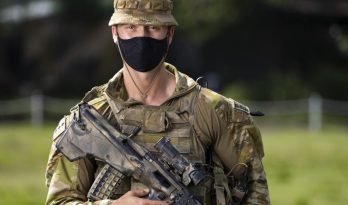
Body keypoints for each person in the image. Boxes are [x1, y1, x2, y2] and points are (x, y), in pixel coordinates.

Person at [45, 0, 270, 204]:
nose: (141, 37)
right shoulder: (90, 119)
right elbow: (59, 201)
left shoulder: (215, 112)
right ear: (115, 33)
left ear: (170, 33)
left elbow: (256, 195)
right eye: (131, 28)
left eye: (153, 27)